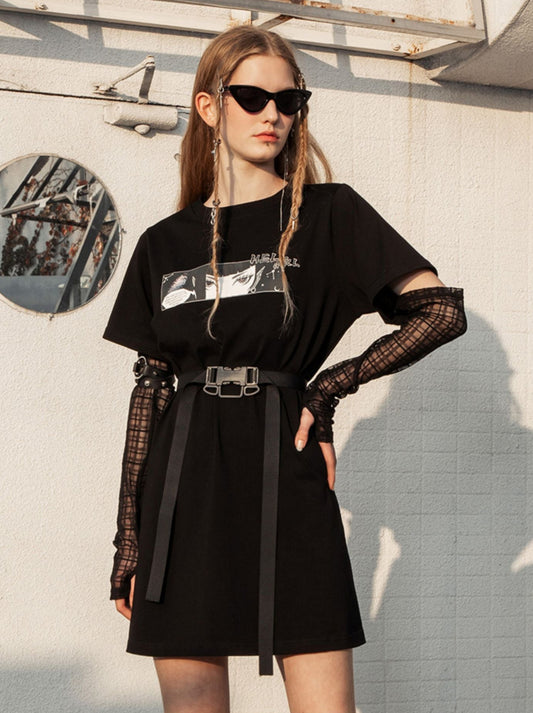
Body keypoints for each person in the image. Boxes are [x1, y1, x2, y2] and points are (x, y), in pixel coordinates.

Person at [102, 24, 467, 713]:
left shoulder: (328, 215)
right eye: (251, 97)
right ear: (209, 107)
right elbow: (150, 393)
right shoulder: (163, 244)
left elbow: (440, 312)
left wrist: (328, 388)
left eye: (288, 100)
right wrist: (129, 538)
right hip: (182, 491)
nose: (271, 113)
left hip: (286, 476)